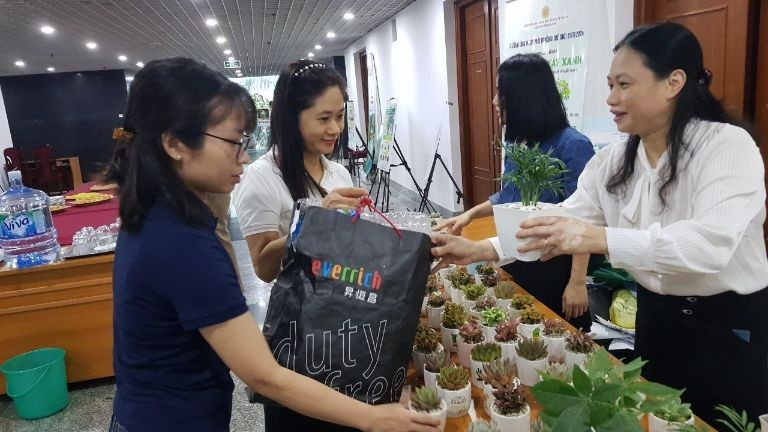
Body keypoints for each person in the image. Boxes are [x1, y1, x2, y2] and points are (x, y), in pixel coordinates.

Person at [431, 22, 768, 424]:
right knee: (656, 418)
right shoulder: (615, 161)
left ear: (673, 82)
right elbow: (565, 218)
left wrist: (600, 237)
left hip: (727, 325)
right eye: (610, 84)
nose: (611, 98)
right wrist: (482, 250)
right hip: (657, 318)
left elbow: (710, 245)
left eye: (624, 84)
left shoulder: (726, 147)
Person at [104, 57, 439, 432]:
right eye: (233, 142)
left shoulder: (157, 215)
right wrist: (373, 417)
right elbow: (264, 376)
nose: (243, 157)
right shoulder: (182, 245)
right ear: (175, 143)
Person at [436, 53, 596, 329]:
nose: (495, 101)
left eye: (501, 93)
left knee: (558, 334)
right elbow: (509, 196)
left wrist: (577, 282)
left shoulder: (574, 146)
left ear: (525, 97)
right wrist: (468, 216)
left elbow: (583, 219)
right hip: (514, 253)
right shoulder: (520, 143)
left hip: (555, 267)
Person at [234, 60, 360, 284]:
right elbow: (264, 269)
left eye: (339, 116)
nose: (335, 129)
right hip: (303, 312)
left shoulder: (339, 173)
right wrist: (312, 222)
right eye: (324, 118)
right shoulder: (262, 176)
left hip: (346, 299)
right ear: (292, 118)